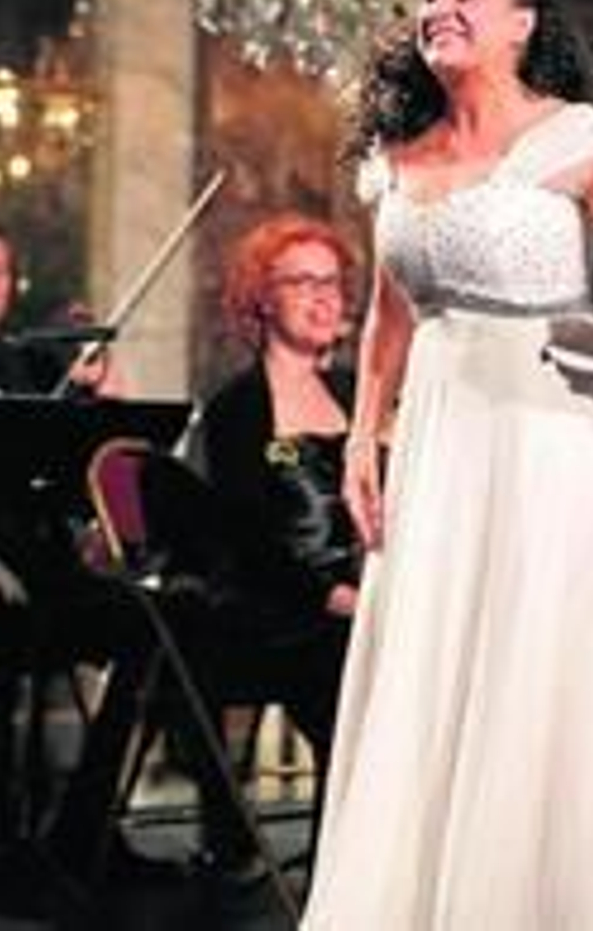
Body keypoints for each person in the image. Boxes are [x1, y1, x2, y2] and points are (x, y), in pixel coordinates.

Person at [299, 0, 593, 929]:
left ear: (521, 22)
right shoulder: (394, 155)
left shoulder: (578, 137)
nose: (439, 8)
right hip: (443, 428)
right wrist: (364, 437)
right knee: (438, 650)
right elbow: (389, 313)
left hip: (561, 429)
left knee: (542, 655)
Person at [0, 207, 180, 902]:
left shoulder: (30, 361)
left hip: (36, 568)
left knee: (150, 623)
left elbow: (66, 477)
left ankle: (84, 829)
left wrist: (103, 413)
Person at [192, 213, 360, 876]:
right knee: (355, 678)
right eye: (302, 283)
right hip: (278, 612)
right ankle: (346, 876)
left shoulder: (356, 392)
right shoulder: (237, 408)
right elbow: (250, 540)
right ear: (262, 298)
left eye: (333, 282)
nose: (324, 298)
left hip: (361, 597)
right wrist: (334, 597)